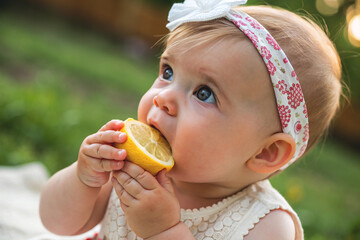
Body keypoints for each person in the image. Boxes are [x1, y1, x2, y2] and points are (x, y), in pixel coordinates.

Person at [39, 0, 343, 239]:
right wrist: (84, 179)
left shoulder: (267, 225)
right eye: (167, 73)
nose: (163, 98)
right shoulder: (133, 170)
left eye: (204, 93)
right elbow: (57, 223)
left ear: (266, 152)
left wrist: (163, 232)